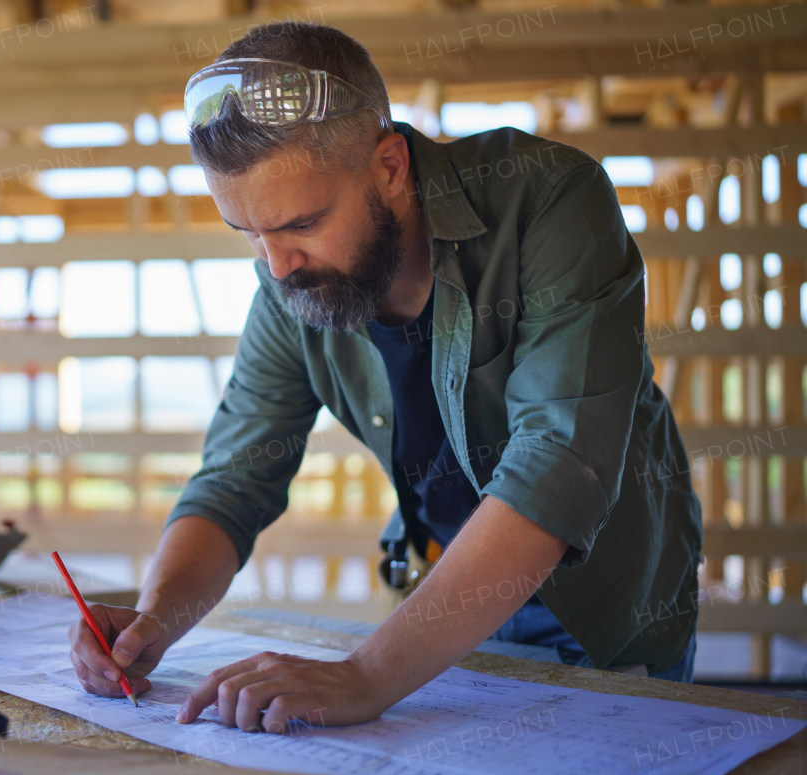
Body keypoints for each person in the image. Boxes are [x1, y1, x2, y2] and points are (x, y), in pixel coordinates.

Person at [66, 21, 702, 734]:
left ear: (390, 168)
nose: (277, 265)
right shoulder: (290, 283)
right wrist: (154, 618)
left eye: (301, 222)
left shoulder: (551, 202)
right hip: (441, 612)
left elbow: (559, 465)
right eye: (247, 233)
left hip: (610, 617)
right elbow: (232, 482)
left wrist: (368, 673)